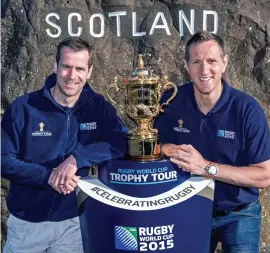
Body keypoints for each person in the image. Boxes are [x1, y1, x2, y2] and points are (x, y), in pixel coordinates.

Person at [1, 37, 127, 253]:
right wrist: (48, 176)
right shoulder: (24, 107)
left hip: (74, 224)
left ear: (89, 71)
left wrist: (77, 158)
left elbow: (120, 142)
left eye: (79, 68)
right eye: (66, 66)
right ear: (55, 66)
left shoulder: (98, 106)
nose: (72, 75)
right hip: (26, 226)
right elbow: (3, 160)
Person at [154, 31, 270, 253]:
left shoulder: (247, 110)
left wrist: (206, 168)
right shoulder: (171, 101)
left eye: (211, 61)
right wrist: (165, 148)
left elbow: (264, 175)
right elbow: (147, 143)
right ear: (186, 66)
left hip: (239, 213)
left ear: (224, 64)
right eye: (196, 62)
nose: (204, 70)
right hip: (188, 208)